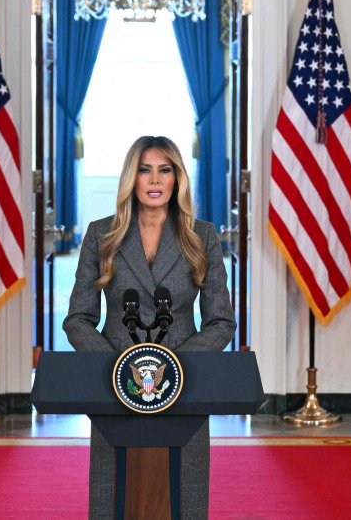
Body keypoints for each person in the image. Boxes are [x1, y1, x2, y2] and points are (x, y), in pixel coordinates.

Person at [63, 135, 237, 519]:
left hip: (185, 383)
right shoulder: (101, 234)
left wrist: (171, 365)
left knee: (184, 494)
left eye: (164, 170)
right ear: (132, 178)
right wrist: (118, 367)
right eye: (145, 170)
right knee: (113, 492)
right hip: (114, 384)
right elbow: (78, 319)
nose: (155, 180)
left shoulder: (202, 236)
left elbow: (221, 321)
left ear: (177, 179)